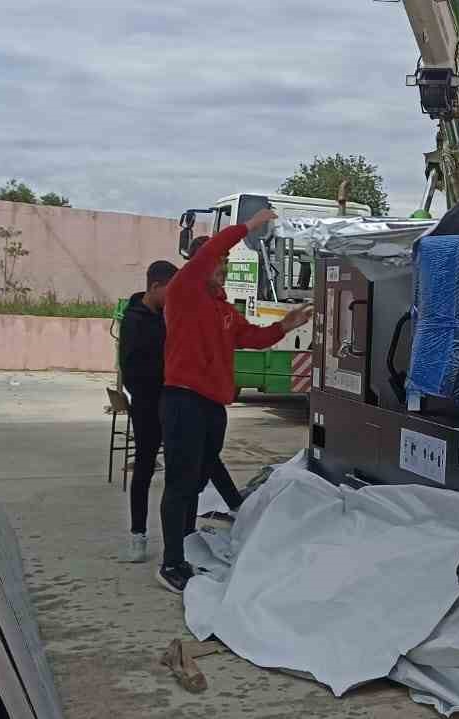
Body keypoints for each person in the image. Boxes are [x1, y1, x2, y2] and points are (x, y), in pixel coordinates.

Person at [156, 211, 314, 593]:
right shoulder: (185, 290)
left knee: (195, 478)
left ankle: (188, 542)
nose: (223, 268)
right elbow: (212, 248)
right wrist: (249, 226)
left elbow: (252, 338)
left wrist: (285, 326)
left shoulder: (224, 309)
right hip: (184, 401)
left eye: (226, 264)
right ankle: (171, 562)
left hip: (212, 405)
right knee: (179, 482)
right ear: (201, 266)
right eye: (219, 264)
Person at [118, 260, 178, 563]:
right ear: (155, 287)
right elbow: (129, 370)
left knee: (181, 469)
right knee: (144, 468)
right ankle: (137, 533)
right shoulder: (133, 321)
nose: (174, 298)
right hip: (146, 404)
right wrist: (156, 381)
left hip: (172, 402)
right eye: (171, 291)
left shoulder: (166, 316)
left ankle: (179, 537)